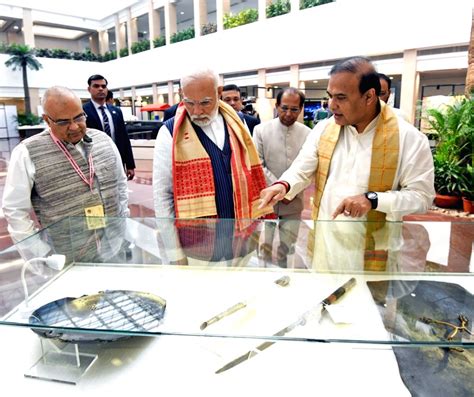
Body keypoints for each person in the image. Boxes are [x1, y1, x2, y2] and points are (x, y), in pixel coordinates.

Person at [259, 56, 435, 270]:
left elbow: (422, 197)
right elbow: (301, 169)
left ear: (369, 96)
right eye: (330, 96)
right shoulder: (324, 129)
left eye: (341, 97)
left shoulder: (408, 138)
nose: (332, 105)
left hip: (373, 252)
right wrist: (282, 185)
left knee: (367, 303)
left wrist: (373, 199)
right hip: (326, 246)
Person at [153, 69, 272, 263]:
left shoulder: (238, 123)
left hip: (242, 243)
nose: (197, 111)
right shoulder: (169, 132)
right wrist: (175, 253)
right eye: (190, 103)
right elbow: (162, 196)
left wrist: (258, 230)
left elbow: (252, 176)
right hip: (197, 248)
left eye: (205, 102)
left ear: (219, 92)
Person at [2, 86, 129, 260]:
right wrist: (41, 253)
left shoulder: (104, 140)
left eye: (79, 117)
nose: (75, 126)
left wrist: (123, 226)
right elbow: (15, 210)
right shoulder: (27, 152)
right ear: (47, 120)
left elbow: (121, 187)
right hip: (67, 257)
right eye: (63, 122)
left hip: (114, 247)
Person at [252, 87, 310, 266]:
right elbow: (258, 164)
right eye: (284, 108)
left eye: (294, 109)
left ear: (300, 109)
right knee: (264, 244)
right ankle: (264, 273)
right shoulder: (261, 130)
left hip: (293, 200)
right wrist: (278, 189)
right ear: (276, 106)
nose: (288, 113)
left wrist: (289, 192)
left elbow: (308, 168)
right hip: (266, 201)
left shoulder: (308, 134)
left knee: (287, 245)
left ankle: (285, 273)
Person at [83, 74, 136, 180]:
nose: (100, 89)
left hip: (117, 159)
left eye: (103, 86)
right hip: (96, 161)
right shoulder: (83, 111)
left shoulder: (116, 111)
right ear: (89, 89)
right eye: (96, 86)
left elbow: (124, 138)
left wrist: (130, 164)